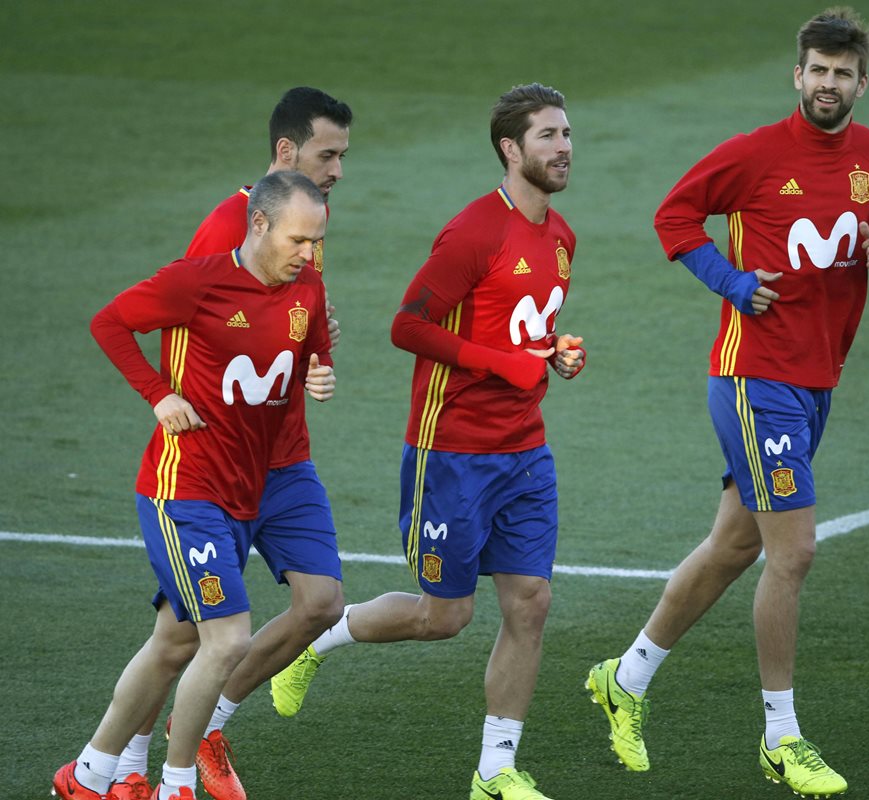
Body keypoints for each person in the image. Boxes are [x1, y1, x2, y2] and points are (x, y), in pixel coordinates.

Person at [585, 8, 869, 797]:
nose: (828, 83)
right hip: (753, 377)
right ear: (797, 74)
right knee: (792, 553)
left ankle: (624, 678)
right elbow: (674, 216)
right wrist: (730, 281)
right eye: (818, 70)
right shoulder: (756, 153)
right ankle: (781, 737)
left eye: (842, 73)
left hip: (817, 382)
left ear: (861, 84)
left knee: (734, 546)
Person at [270, 83, 584, 800]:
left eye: (566, 134)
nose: (564, 147)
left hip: (525, 452)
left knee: (530, 602)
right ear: (511, 149)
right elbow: (408, 326)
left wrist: (554, 354)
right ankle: (316, 642)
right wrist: (502, 363)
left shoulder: (563, 238)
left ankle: (495, 771)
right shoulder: (474, 232)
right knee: (446, 616)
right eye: (547, 136)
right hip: (453, 454)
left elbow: (522, 330)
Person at [52, 171, 335, 800]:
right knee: (225, 639)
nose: (308, 254)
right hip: (187, 489)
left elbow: (312, 352)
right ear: (258, 223)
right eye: (297, 240)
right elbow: (109, 322)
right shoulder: (196, 282)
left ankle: (89, 774)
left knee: (178, 640)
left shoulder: (307, 286)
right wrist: (159, 395)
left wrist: (320, 374)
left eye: (315, 242)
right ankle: (176, 784)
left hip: (263, 481)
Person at [105, 86, 352, 800]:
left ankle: (200, 727)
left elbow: (291, 325)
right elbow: (183, 327)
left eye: (342, 156)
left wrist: (314, 351)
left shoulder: (304, 222)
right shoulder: (227, 228)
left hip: (283, 454)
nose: (337, 170)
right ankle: (128, 767)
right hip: (216, 464)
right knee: (187, 633)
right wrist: (164, 398)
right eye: (326, 155)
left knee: (316, 604)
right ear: (286, 151)